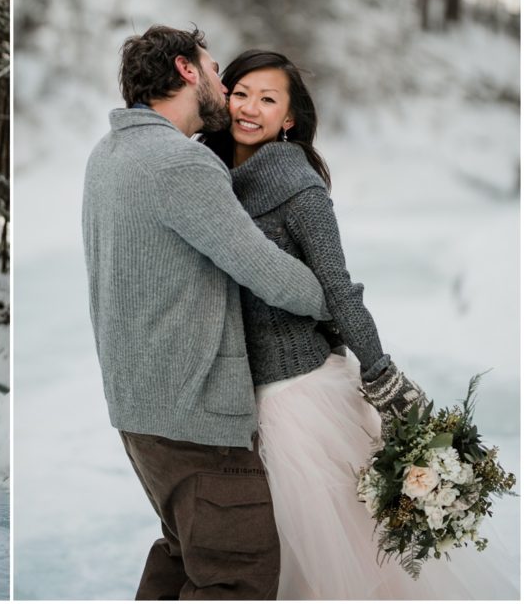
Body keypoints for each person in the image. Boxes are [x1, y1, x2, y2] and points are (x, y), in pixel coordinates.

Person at [202, 48, 516, 599]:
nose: (249, 108)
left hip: (298, 399)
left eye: (268, 99)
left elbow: (340, 290)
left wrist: (381, 374)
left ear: (289, 118)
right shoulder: (214, 178)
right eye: (241, 92)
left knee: (333, 567)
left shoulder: (300, 191)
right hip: (243, 398)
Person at [82, 25, 334, 599]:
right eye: (217, 69)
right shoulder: (180, 164)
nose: (227, 86)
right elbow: (267, 272)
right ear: (188, 70)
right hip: (197, 416)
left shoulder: (110, 151)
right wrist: (332, 298)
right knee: (236, 574)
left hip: (140, 412)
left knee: (184, 557)